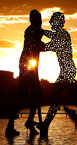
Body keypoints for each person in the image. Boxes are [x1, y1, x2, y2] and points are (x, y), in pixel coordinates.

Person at [38, 12, 77, 135]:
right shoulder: (60, 34)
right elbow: (51, 35)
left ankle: (46, 125)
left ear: (58, 22)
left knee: (54, 97)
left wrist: (39, 45)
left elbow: (52, 45)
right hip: (67, 70)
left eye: (53, 21)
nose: (50, 23)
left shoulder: (63, 34)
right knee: (74, 98)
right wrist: (41, 31)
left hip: (67, 71)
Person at [5, 9, 45, 137]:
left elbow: (35, 47)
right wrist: (56, 46)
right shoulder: (37, 30)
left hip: (25, 63)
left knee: (23, 95)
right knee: (36, 94)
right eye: (38, 18)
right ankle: (28, 122)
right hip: (29, 65)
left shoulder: (28, 30)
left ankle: (12, 125)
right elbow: (38, 46)